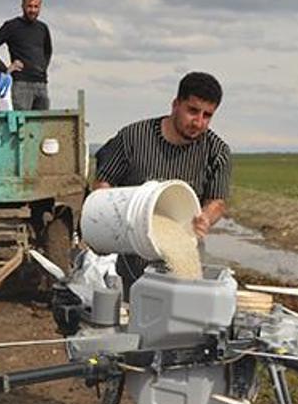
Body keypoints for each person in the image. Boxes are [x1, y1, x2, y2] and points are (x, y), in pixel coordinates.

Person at [93, 71, 231, 295]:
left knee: (183, 313)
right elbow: (103, 184)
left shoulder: (216, 151)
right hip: (134, 256)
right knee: (134, 318)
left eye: (207, 115)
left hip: (184, 250)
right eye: (193, 111)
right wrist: (108, 223)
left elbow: (216, 201)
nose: (198, 122)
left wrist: (205, 217)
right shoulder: (134, 138)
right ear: (176, 104)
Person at [0, 0, 53, 110]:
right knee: (23, 127)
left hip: (42, 84)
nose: (33, 10)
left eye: (36, 6)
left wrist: (42, 68)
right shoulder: (12, 26)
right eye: (29, 6)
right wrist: (6, 69)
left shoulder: (43, 28)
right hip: (22, 84)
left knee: (43, 126)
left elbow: (47, 51)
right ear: (23, 6)